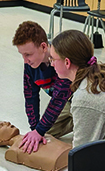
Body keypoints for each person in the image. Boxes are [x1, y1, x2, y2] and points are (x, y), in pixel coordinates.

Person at [12, 21, 73, 154]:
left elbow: (58, 99)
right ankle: (74, 120)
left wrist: (39, 131)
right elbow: (30, 98)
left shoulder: (60, 59)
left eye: (28, 54)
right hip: (66, 103)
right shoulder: (30, 65)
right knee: (44, 134)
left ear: (44, 47)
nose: (25, 60)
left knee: (43, 130)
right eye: (22, 55)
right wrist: (35, 129)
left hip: (81, 101)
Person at [0, 121, 72, 171]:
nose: (8, 123)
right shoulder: (12, 151)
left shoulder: (35, 134)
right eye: (2, 125)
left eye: (5, 122)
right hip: (59, 159)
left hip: (69, 150)